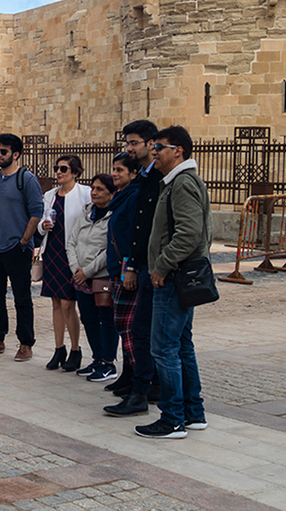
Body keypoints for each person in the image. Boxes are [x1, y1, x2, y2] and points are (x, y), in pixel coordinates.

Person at [135, 125, 211, 439]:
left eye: (160, 147)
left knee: (164, 349)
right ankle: (193, 413)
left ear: (177, 150)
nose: (154, 152)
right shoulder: (177, 181)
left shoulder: (182, 183)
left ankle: (173, 418)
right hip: (178, 277)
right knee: (181, 345)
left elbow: (189, 234)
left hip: (173, 278)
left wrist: (161, 267)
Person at [0, 133, 44, 361]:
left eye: (3, 151)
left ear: (15, 154)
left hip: (18, 248)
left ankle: (26, 343)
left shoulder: (26, 179)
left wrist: (24, 241)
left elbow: (37, 212)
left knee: (22, 298)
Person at [120, 120, 162, 403]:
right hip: (143, 262)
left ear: (150, 143)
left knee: (146, 331)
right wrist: (132, 265)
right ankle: (144, 385)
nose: (129, 148)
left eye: (133, 143)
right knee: (141, 329)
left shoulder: (160, 178)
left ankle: (145, 389)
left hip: (156, 265)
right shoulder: (145, 178)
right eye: (127, 143)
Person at [38, 155, 91, 372]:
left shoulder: (85, 193)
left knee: (69, 303)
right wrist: (44, 225)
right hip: (52, 252)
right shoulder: (49, 195)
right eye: (57, 168)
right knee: (56, 303)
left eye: (64, 169)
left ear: (75, 173)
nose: (59, 172)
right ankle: (58, 348)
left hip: (72, 255)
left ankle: (75, 349)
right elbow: (41, 222)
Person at [102, 154, 144, 415]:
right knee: (122, 326)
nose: (115, 174)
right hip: (117, 270)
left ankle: (139, 388)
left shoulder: (133, 197)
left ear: (133, 173)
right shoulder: (120, 198)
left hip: (127, 272)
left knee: (130, 331)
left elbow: (134, 236)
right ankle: (129, 376)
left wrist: (130, 268)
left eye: (120, 170)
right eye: (114, 169)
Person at [66, 173, 119, 381]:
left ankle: (108, 362)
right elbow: (72, 241)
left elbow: (110, 248)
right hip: (80, 276)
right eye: (93, 188)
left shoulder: (114, 215)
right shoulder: (87, 212)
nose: (94, 193)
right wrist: (76, 269)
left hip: (101, 276)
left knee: (106, 320)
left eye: (100, 189)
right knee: (88, 319)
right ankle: (97, 358)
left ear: (111, 193)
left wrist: (88, 271)